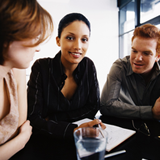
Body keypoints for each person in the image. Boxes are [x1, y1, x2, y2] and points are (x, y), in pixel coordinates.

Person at [27, 13, 105, 160]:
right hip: (45, 146)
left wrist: (53, 119)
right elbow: (33, 119)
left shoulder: (88, 65)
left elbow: (93, 107)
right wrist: (73, 130)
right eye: (70, 38)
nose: (78, 46)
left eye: (84, 40)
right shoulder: (41, 67)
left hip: (82, 145)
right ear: (58, 41)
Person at [0, 0, 53, 159]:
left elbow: (21, 125)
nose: (38, 48)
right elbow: (22, 135)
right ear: (8, 34)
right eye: (34, 36)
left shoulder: (14, 70)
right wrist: (20, 142)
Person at [100, 23, 160, 120]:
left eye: (146, 53)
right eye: (134, 51)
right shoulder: (120, 67)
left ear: (157, 56)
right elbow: (106, 106)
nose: (137, 58)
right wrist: (150, 112)